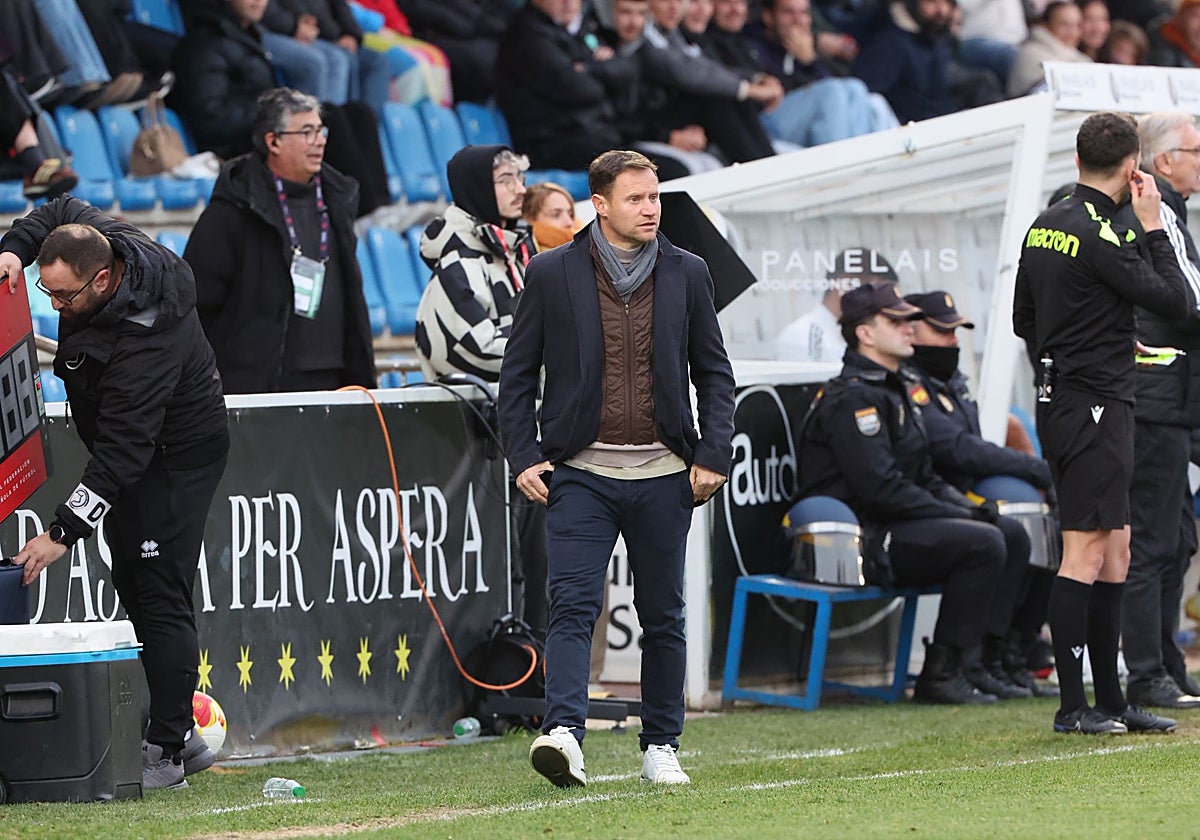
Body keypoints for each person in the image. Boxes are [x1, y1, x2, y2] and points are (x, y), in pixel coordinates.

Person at [498, 149, 735, 787]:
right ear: (598, 205)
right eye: (635, 199)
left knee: (663, 614)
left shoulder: (688, 272)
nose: (650, 208)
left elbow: (715, 374)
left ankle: (661, 744)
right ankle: (565, 735)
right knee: (571, 606)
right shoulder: (550, 273)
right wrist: (524, 456)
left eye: (654, 197)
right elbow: (516, 378)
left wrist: (713, 454)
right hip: (579, 473)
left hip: (665, 474)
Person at [0, 197, 229, 790]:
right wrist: (13, 251)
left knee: (157, 592)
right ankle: (181, 732)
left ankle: (169, 749)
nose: (55, 308)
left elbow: (124, 453)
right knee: (133, 575)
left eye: (65, 298)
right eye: (45, 292)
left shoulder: (149, 334)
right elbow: (55, 209)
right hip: (136, 453)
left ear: (103, 279)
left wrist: (61, 534)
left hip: (174, 459)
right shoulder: (102, 238)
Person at [1013, 111, 1192, 735]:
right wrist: (1153, 227)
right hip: (1092, 404)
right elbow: (1178, 301)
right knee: (1086, 551)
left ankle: (1113, 702)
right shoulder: (1106, 233)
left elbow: (1023, 321)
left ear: (1078, 158)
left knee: (1117, 550)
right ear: (1132, 164)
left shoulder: (1045, 224)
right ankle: (1072, 707)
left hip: (1079, 399)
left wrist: (1074, 355)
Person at [796, 281, 1009, 705]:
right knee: (983, 542)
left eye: (909, 320)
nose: (910, 329)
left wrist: (967, 506)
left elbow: (923, 474)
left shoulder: (896, 387)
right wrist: (961, 517)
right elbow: (881, 491)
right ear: (865, 333)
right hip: (865, 540)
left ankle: (985, 663)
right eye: (896, 321)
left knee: (1008, 532)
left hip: (896, 525)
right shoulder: (853, 397)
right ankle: (941, 674)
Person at [904, 290, 1056, 698]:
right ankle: (961, 663)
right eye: (942, 332)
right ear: (911, 330)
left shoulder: (952, 383)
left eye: (956, 332)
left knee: (1046, 527)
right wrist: (1034, 466)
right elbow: (955, 448)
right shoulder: (909, 387)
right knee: (1001, 535)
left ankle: (1007, 654)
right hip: (923, 508)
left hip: (957, 501)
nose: (952, 341)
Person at [183, 88, 376, 394]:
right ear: (273, 141)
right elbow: (197, 303)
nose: (320, 141)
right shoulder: (235, 208)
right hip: (259, 383)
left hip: (336, 377)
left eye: (320, 130)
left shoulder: (337, 198)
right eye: (307, 132)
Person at [1112, 111, 1200, 709]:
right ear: (1162, 160)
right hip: (1156, 399)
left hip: (1173, 400)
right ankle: (1145, 672)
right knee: (1151, 541)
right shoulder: (1151, 212)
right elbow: (1184, 300)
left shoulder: (1169, 209)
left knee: (1179, 540)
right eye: (1196, 149)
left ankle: (1166, 662)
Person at [414, 144, 535, 382]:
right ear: (478, 188)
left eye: (520, 178)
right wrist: (553, 351)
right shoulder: (459, 263)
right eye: (506, 180)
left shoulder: (515, 251)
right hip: (479, 415)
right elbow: (474, 347)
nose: (520, 190)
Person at [775, 247, 897, 363]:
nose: (883, 304)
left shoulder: (858, 333)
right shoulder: (801, 335)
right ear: (846, 282)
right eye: (877, 292)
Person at [1006, 1, 1091, 98]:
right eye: (1064, 25)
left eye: (1077, 25)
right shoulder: (1030, 55)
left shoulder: (1082, 59)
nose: (1072, 32)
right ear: (1045, 25)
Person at [522, 181, 578, 252]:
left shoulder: (589, 249)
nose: (569, 223)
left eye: (570, 215)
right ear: (529, 219)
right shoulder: (522, 257)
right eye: (556, 215)